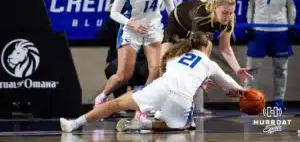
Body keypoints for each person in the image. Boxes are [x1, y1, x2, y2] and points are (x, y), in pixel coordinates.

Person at [60, 31, 245, 133]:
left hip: (160, 88)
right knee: (184, 125)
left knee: (115, 104)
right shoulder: (208, 62)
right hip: (181, 99)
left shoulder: (175, 56)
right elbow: (228, 82)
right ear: (206, 47)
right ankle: (145, 124)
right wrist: (243, 92)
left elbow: (169, 74)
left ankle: (74, 124)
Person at [93, 0, 175, 121]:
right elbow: (114, 12)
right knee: (123, 76)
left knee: (157, 70)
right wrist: (132, 23)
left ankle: (142, 108)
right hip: (131, 30)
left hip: (153, 29)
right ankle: (101, 98)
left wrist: (175, 24)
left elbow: (170, 5)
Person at [244, 0, 297, 111]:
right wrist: (248, 26)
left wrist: (291, 27)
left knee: (281, 69)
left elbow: (293, 6)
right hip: (259, 31)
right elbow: (248, 5)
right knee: (252, 69)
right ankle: (250, 101)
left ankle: (279, 101)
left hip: (280, 31)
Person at [161, 0, 253, 84]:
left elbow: (225, 47)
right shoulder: (201, 16)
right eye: (224, 13)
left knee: (206, 46)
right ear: (214, 8)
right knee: (164, 67)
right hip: (176, 25)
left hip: (197, 28)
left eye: (231, 12)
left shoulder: (230, 17)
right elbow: (194, 49)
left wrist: (237, 69)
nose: (228, 17)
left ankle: (198, 81)